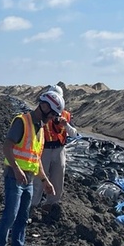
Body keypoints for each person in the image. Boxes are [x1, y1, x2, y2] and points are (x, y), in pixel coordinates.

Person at [0, 90, 63, 246]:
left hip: (28, 179)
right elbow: (7, 146)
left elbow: (35, 158)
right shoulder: (22, 121)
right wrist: (16, 169)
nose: (52, 118)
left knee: (22, 218)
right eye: (52, 113)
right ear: (44, 106)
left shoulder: (40, 128)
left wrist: (45, 180)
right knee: (10, 216)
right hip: (14, 177)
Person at [32, 84, 77, 215]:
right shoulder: (42, 113)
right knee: (40, 178)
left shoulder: (66, 115)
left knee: (57, 178)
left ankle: (51, 205)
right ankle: (33, 205)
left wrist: (65, 124)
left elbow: (74, 133)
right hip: (43, 149)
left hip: (59, 149)